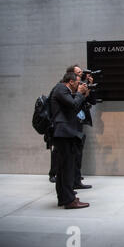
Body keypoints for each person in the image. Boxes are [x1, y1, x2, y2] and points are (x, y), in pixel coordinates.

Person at [50, 72, 90, 209]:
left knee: (63, 168)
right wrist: (79, 94)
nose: (79, 85)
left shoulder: (63, 91)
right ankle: (69, 200)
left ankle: (64, 197)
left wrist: (83, 96)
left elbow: (72, 109)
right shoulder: (61, 88)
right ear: (71, 82)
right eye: (78, 83)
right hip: (63, 133)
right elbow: (73, 105)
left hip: (64, 133)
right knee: (67, 168)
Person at [66, 64, 95, 190]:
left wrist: (87, 87)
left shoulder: (79, 86)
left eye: (81, 73)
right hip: (70, 124)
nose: (81, 74)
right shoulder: (65, 89)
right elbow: (73, 104)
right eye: (78, 73)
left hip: (79, 122)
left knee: (78, 153)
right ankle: (72, 182)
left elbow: (86, 100)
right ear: (71, 76)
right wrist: (80, 92)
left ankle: (76, 180)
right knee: (73, 154)